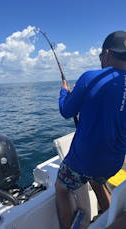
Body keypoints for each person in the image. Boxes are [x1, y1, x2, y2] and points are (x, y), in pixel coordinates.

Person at [55, 30, 126, 229]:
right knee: (97, 181)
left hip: (83, 161)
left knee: (61, 188)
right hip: (113, 163)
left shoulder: (89, 78)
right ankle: (109, 220)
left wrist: (64, 91)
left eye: (101, 56)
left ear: (107, 54)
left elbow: (66, 111)